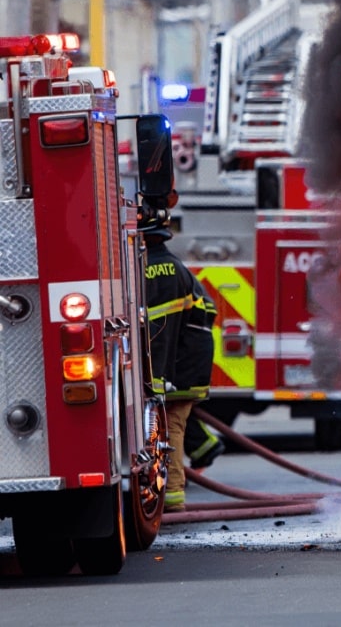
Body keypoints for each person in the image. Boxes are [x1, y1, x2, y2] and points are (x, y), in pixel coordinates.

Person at [141, 190, 196, 512]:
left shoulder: (141, 269)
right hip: (179, 370)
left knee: (168, 431)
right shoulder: (178, 270)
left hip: (160, 374)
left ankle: (172, 496)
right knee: (170, 431)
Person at [179, 282, 223, 473]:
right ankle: (203, 447)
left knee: (174, 412)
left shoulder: (175, 277)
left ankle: (204, 447)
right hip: (192, 354)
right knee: (177, 411)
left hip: (186, 357)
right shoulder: (183, 276)